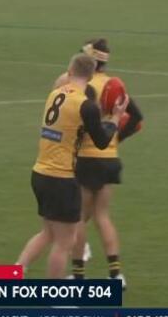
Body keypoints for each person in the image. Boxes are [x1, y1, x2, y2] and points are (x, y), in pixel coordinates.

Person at [16, 54, 129, 278]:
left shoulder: (54, 94)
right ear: (91, 75)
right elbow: (102, 140)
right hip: (61, 177)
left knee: (47, 233)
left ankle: (14, 272)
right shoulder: (86, 106)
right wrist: (115, 118)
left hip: (40, 172)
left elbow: (63, 81)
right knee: (64, 243)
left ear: (69, 70)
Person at [57, 38, 143, 289]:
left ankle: (79, 275)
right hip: (109, 159)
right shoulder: (114, 84)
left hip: (85, 159)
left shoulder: (79, 85)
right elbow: (137, 117)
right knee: (102, 216)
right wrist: (115, 138)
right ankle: (116, 275)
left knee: (78, 219)